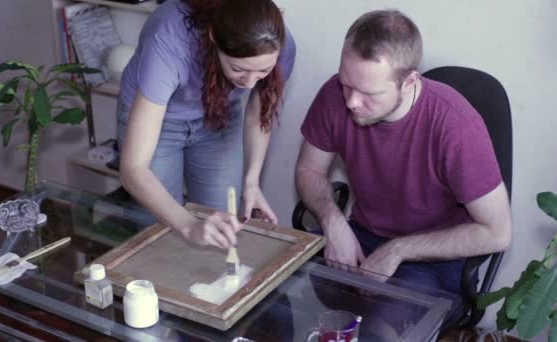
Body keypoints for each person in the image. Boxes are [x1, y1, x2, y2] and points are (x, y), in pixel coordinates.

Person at [295, 9, 512, 299]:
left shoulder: (457, 127)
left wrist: (399, 250)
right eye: (346, 84)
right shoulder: (335, 95)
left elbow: (497, 232)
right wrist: (332, 220)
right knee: (284, 288)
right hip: (364, 234)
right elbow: (309, 170)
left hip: (433, 258)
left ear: (409, 82)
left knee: (384, 329)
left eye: (368, 93)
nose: (351, 102)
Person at [118, 0, 296, 249]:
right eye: (238, 69)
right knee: (158, 233)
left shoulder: (280, 44)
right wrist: (190, 226)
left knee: (219, 227)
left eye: (263, 72)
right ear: (214, 37)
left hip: (218, 113)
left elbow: (258, 113)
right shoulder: (170, 40)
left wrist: (252, 182)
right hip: (160, 119)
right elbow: (133, 170)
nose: (249, 83)